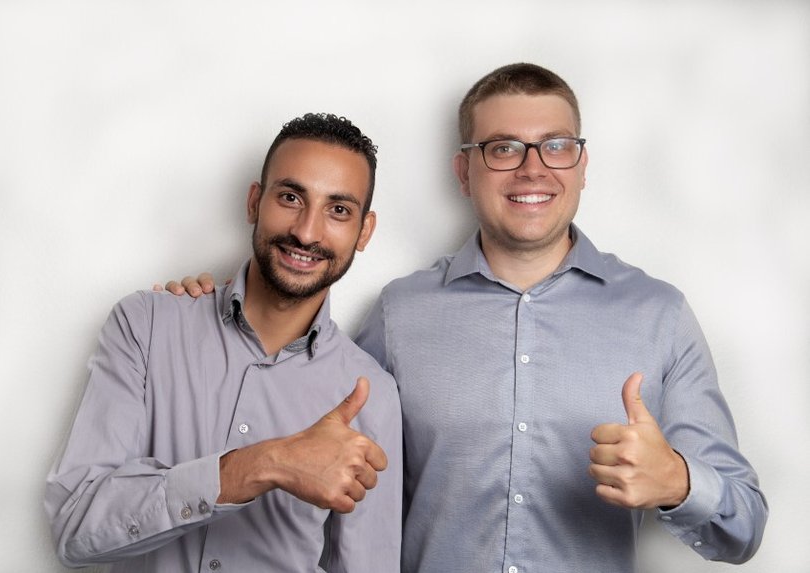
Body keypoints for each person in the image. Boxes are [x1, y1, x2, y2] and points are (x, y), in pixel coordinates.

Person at [171, 64, 768, 572]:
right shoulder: (400, 314)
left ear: (582, 166)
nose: (533, 169)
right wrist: (211, 310)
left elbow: (744, 529)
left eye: (556, 146)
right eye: (503, 148)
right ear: (465, 172)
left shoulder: (658, 315)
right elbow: (307, 433)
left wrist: (680, 483)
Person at [45, 113, 403, 572]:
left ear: (364, 231)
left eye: (338, 210)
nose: (307, 232)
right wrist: (263, 464)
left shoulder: (372, 395)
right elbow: (75, 528)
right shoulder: (146, 325)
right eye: (291, 197)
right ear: (255, 202)